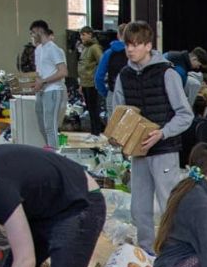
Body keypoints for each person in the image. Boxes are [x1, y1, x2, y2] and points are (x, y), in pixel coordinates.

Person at [109, 21, 195, 249]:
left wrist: (162, 133)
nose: (130, 50)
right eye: (127, 44)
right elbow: (118, 115)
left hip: (165, 150)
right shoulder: (123, 76)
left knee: (168, 204)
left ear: (148, 45)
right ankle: (146, 252)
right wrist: (118, 135)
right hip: (138, 153)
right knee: (139, 208)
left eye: (136, 45)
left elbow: (186, 115)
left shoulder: (167, 73)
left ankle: (174, 250)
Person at [29, 20, 66, 148]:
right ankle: (50, 149)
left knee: (50, 126)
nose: (32, 36)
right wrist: (35, 82)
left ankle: (54, 155)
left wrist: (44, 81)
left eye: (33, 33)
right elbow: (40, 72)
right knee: (42, 125)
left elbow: (63, 72)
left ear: (40, 31)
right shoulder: (38, 49)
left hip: (53, 90)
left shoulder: (53, 49)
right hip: (41, 91)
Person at [95, 23, 128, 116]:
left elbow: (98, 77)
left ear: (118, 35)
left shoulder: (109, 53)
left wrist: (106, 93)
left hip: (113, 93)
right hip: (132, 94)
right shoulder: (136, 52)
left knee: (113, 126)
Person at [76, 26, 104, 134]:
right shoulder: (85, 48)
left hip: (92, 83)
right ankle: (93, 132)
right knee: (90, 109)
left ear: (90, 34)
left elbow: (101, 62)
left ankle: (97, 132)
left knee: (94, 110)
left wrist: (96, 77)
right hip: (85, 83)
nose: (81, 37)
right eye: (80, 35)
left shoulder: (95, 47)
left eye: (83, 34)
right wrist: (81, 84)